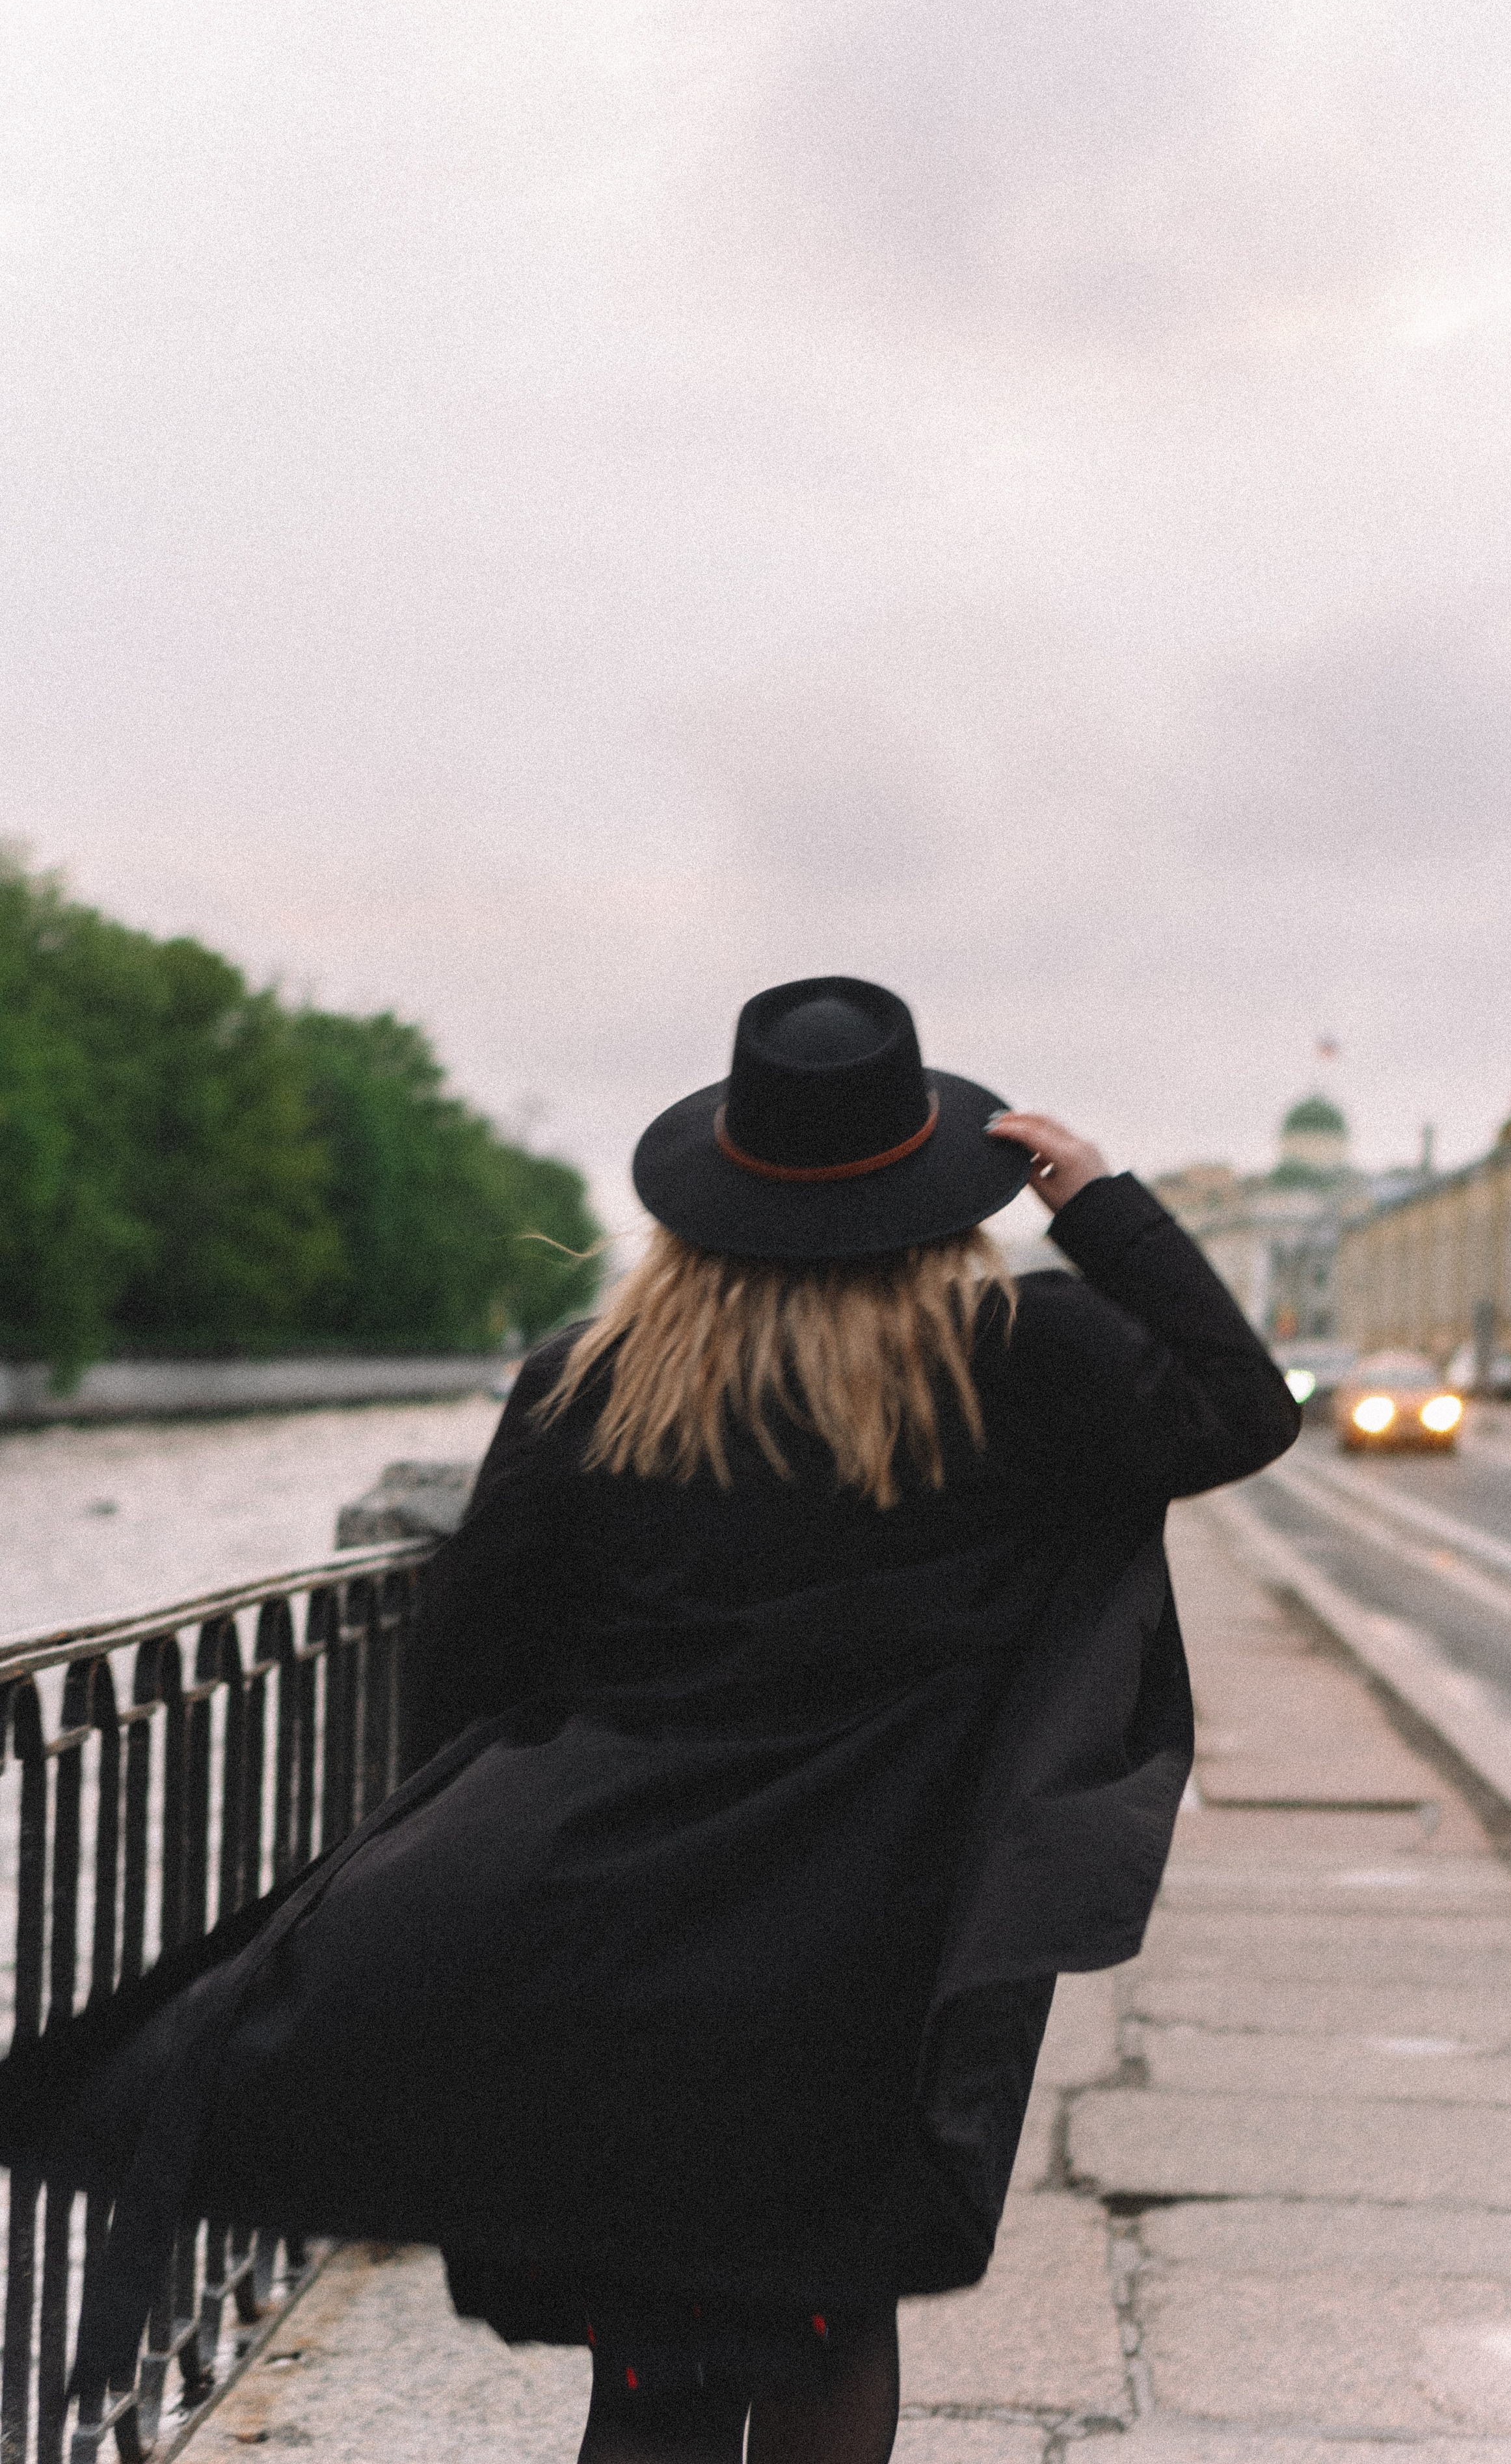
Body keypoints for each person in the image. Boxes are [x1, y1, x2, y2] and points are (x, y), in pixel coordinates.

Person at [10, 977, 1298, 2464]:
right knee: (823, 2324)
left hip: (612, 1928)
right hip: (878, 1939)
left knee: (649, 2372)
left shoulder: (592, 1381)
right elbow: (1243, 1407)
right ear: (937, 1194)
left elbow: (471, 1677)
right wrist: (1101, 1204)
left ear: (712, 1192)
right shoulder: (1017, 1362)